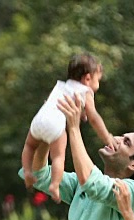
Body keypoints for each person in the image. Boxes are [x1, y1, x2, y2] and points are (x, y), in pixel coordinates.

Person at [21, 53, 114, 203]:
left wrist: (82, 114)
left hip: (39, 119)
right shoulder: (86, 91)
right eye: (98, 80)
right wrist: (107, 136)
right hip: (55, 125)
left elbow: (69, 106)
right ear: (88, 78)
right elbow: (94, 118)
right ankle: (55, 185)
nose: (99, 84)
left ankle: (27, 171)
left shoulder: (62, 86)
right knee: (58, 156)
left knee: (29, 146)